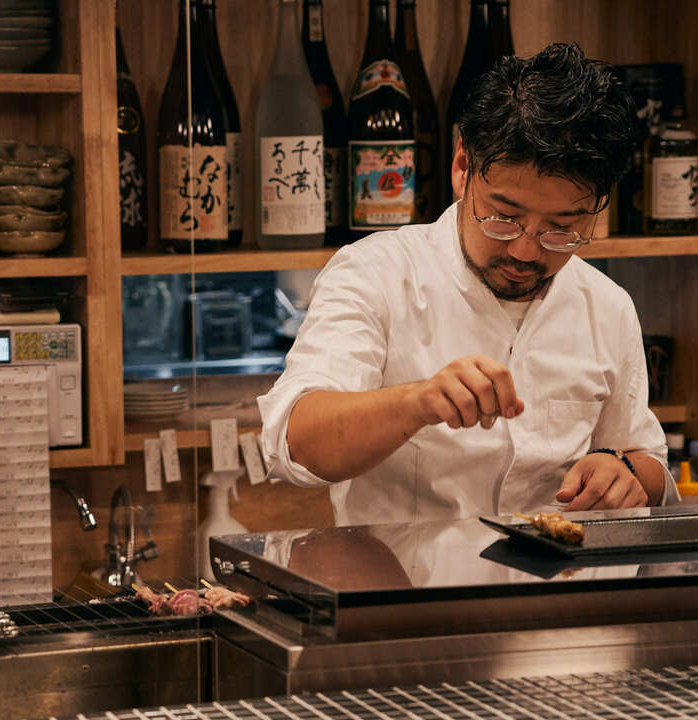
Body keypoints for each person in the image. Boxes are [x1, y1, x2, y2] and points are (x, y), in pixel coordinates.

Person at [258, 43, 676, 526]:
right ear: (463, 168)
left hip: (558, 589)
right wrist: (417, 402)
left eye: (563, 228)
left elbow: (645, 458)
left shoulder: (606, 305)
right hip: (405, 592)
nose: (526, 250)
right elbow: (296, 443)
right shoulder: (376, 273)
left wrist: (623, 472)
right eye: (504, 216)